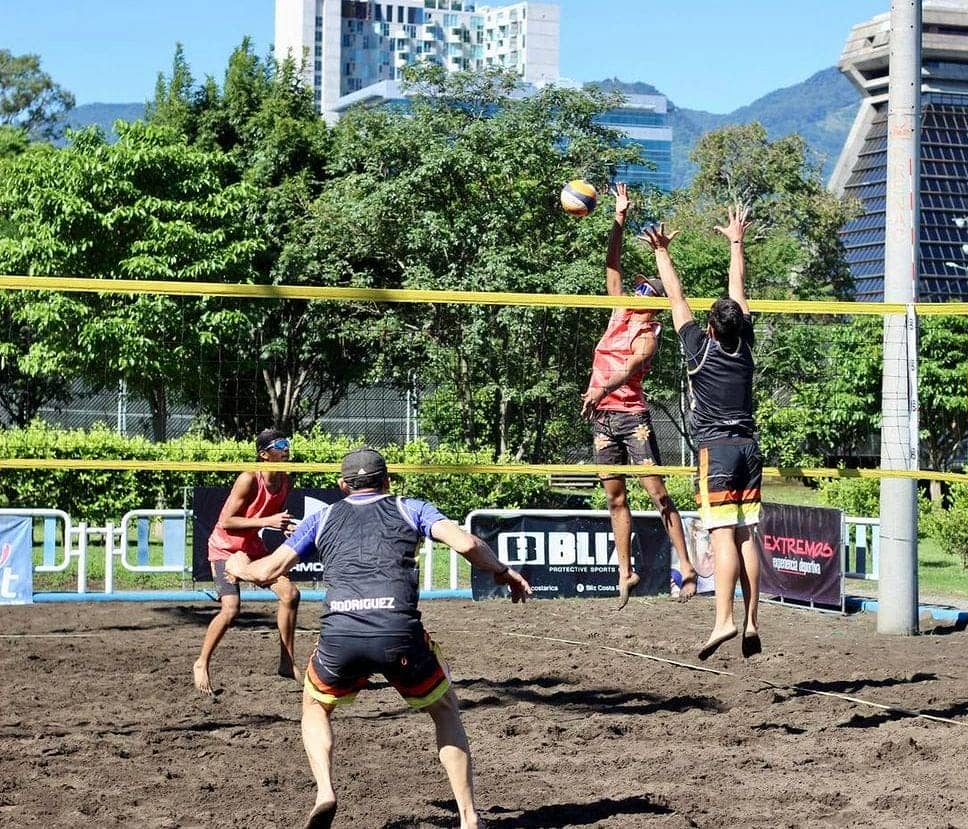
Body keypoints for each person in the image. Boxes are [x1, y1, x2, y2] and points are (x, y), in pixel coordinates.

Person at [225, 447, 532, 829]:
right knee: (444, 710)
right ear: (387, 480)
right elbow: (467, 544)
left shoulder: (322, 517)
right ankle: (469, 818)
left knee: (315, 706)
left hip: (341, 635)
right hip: (397, 633)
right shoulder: (411, 508)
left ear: (342, 485)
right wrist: (502, 571)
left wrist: (240, 566)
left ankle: (325, 791)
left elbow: (266, 570)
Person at [639, 204, 763, 660]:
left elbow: (675, 297)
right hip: (749, 448)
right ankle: (752, 618)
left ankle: (725, 619)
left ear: (710, 326)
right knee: (748, 532)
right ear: (738, 325)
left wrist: (662, 253)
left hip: (717, 451)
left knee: (722, 535)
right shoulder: (744, 344)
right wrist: (736, 240)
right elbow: (738, 289)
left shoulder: (698, 348)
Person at [580, 182, 697, 608]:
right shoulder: (619, 310)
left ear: (658, 301)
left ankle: (686, 565)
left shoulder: (649, 333)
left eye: (649, 289)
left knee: (659, 494)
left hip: (631, 417)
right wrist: (619, 217)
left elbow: (629, 368)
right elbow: (611, 263)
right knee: (615, 498)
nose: (641, 290)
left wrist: (598, 389)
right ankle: (624, 571)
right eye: (641, 286)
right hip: (602, 417)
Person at [193, 428, 299, 696]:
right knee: (231, 609)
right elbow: (226, 521)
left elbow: (271, 517)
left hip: (252, 547)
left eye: (288, 443)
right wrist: (268, 521)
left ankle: (286, 662)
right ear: (264, 455)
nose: (287, 448)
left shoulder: (285, 480)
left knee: (290, 594)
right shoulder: (249, 478)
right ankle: (201, 661)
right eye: (281, 444)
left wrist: (283, 528)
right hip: (225, 549)